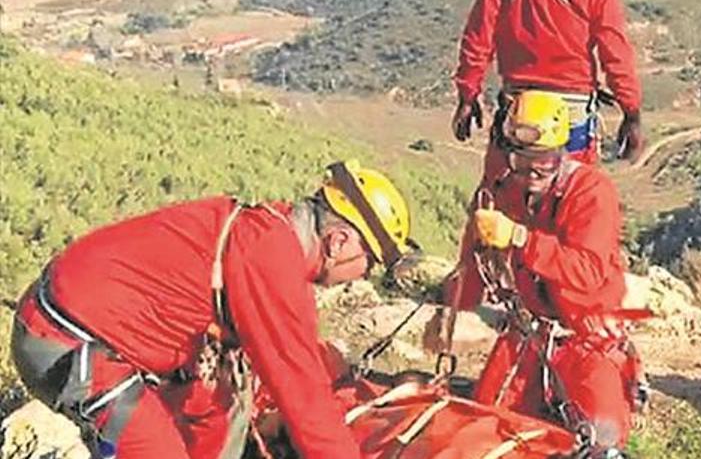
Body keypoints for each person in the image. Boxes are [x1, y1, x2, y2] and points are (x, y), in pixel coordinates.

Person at [11, 160, 411, 459]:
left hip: (90, 329)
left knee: (218, 418)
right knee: (158, 449)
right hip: (67, 340)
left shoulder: (272, 237)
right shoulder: (270, 260)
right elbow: (305, 400)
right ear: (338, 242)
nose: (362, 278)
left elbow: (295, 367)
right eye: (369, 264)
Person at [428, 91, 644, 458]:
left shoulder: (591, 192)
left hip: (588, 339)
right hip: (530, 332)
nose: (532, 171)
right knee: (483, 428)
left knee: (601, 443)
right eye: (521, 159)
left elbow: (587, 271)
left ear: (562, 152)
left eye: (542, 160)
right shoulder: (502, 191)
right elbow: (474, 264)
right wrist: (449, 310)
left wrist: (520, 237)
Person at [451, 0, 646, 180]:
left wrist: (467, 96)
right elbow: (615, 51)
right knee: (575, 194)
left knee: (502, 191)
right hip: (572, 111)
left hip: (518, 107)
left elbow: (479, 37)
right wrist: (631, 112)